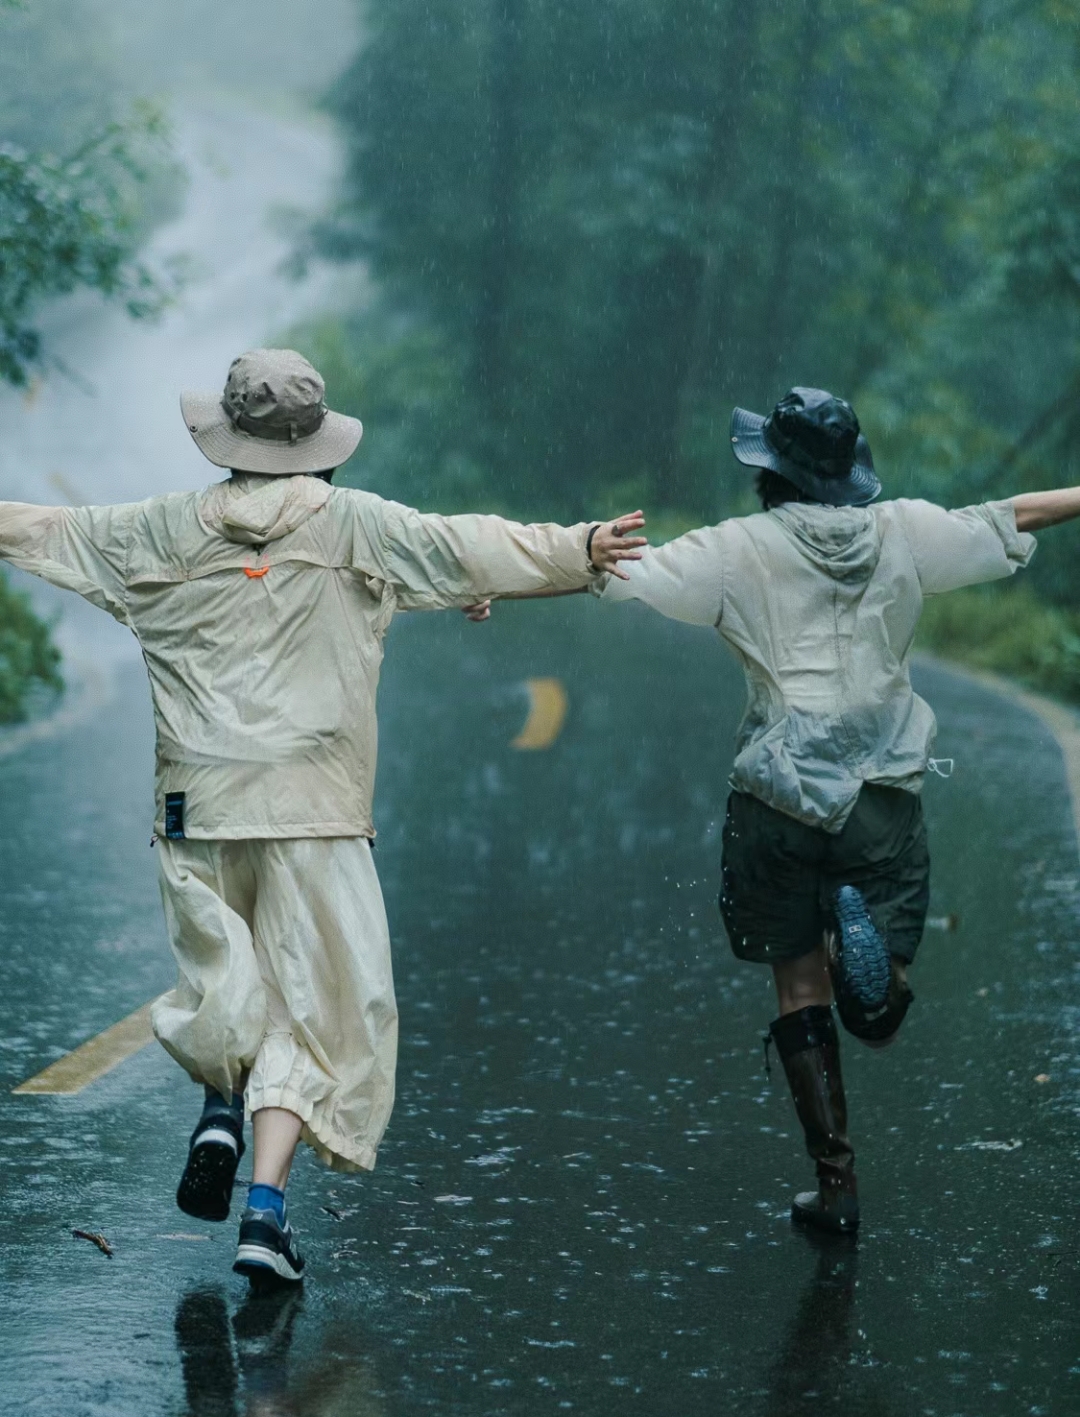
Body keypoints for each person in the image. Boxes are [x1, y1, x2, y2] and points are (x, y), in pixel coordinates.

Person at [0, 348, 646, 1284]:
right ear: (318, 443)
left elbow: (41, 529)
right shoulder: (359, 527)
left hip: (198, 802)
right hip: (315, 805)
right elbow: (469, 545)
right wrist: (579, 546)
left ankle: (221, 1105)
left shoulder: (155, 530)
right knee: (313, 1011)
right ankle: (264, 1211)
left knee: (227, 986)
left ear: (227, 438)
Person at [474, 385, 1080, 1235]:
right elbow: (1005, 516)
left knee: (798, 987)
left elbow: (614, 569)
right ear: (849, 472)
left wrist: (494, 582)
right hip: (880, 795)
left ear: (770, 473)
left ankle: (836, 1184)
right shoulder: (904, 530)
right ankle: (874, 976)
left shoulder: (734, 549)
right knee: (874, 1008)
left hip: (779, 801)